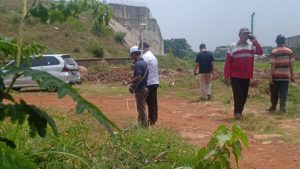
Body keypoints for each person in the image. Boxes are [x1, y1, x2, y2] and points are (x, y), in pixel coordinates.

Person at [224, 28, 263, 119]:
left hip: (246, 75)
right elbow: (228, 61)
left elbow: (260, 52)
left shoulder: (252, 46)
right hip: (235, 75)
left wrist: (255, 40)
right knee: (238, 94)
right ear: (240, 35)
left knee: (244, 95)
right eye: (244, 34)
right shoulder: (233, 46)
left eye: (247, 34)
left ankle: (239, 111)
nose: (246, 36)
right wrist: (226, 75)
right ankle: (237, 112)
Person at [266, 34, 295, 113]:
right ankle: (282, 109)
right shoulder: (289, 51)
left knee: (274, 93)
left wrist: (270, 77)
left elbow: (273, 66)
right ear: (284, 42)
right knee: (284, 93)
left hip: (276, 76)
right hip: (286, 76)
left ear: (276, 42)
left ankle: (273, 107)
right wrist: (292, 75)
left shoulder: (274, 52)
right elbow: (291, 65)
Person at [126, 46, 149, 127]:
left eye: (131, 55)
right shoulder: (144, 63)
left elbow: (138, 77)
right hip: (145, 88)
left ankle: (144, 126)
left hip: (140, 89)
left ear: (134, 54)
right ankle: (141, 123)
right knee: (142, 107)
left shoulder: (138, 64)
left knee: (141, 109)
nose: (131, 57)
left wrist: (128, 82)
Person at [140, 42, 160, 125]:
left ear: (143, 48)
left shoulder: (145, 57)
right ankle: (153, 118)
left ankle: (151, 120)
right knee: (153, 102)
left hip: (150, 82)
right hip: (154, 81)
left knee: (149, 102)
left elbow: (139, 65)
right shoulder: (153, 57)